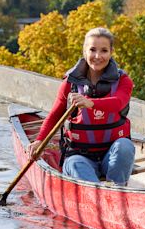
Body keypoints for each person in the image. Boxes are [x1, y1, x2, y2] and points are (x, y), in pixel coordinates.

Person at [27, 27, 135, 186]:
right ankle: (95, 193)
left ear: (111, 52)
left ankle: (117, 190)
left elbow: (118, 103)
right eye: (92, 50)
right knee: (76, 164)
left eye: (104, 50)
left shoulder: (124, 81)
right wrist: (39, 140)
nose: (98, 56)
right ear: (85, 51)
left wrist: (90, 103)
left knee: (125, 146)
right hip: (79, 156)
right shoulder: (70, 84)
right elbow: (55, 115)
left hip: (110, 157)